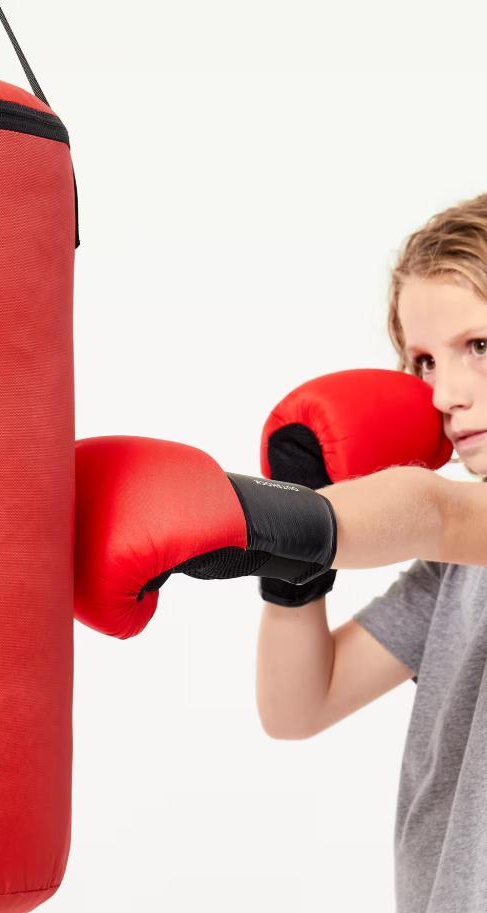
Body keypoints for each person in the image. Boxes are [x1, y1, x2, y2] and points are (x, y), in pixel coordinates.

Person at [256, 192, 487, 912]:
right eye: (422, 361)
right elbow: (298, 704)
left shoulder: (454, 529)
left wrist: (267, 516)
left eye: (479, 346)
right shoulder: (457, 571)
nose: (445, 393)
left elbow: (432, 510)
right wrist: (289, 565)